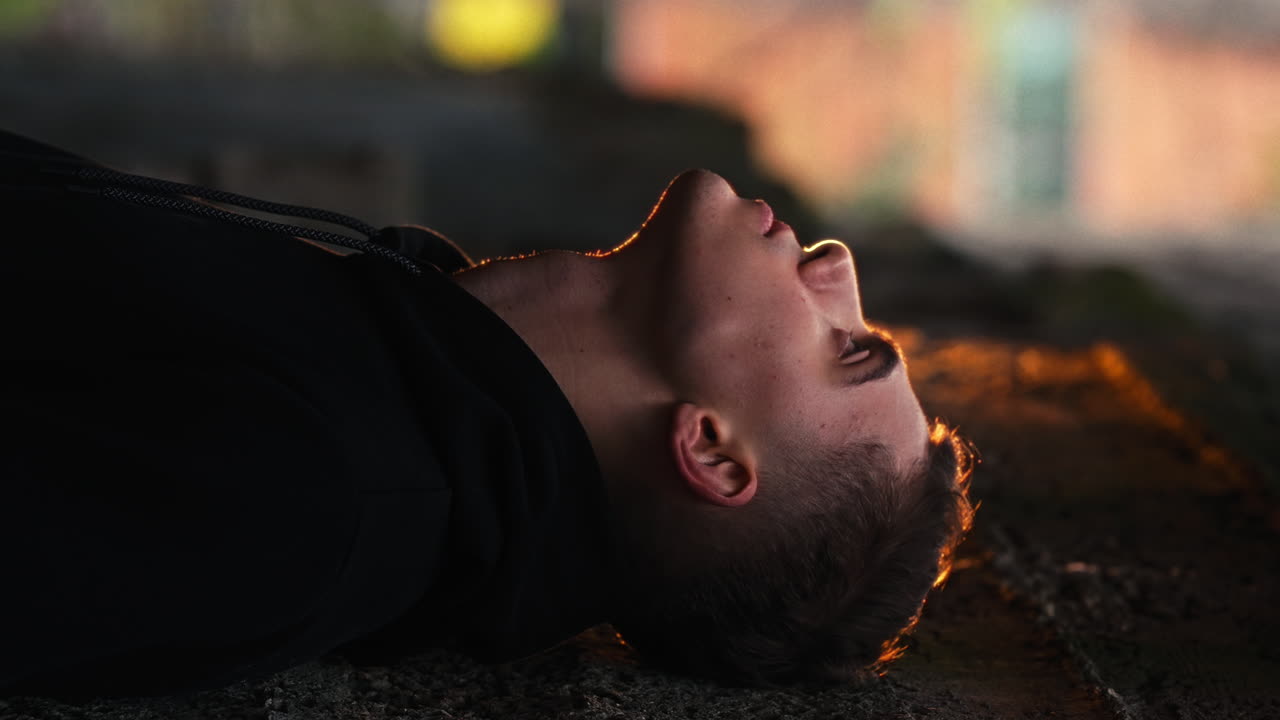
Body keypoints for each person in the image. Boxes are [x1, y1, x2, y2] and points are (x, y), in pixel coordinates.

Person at [0, 130, 973, 698]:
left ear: (712, 453)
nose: (839, 269)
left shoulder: (303, 501)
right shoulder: (397, 361)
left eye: (849, 350)